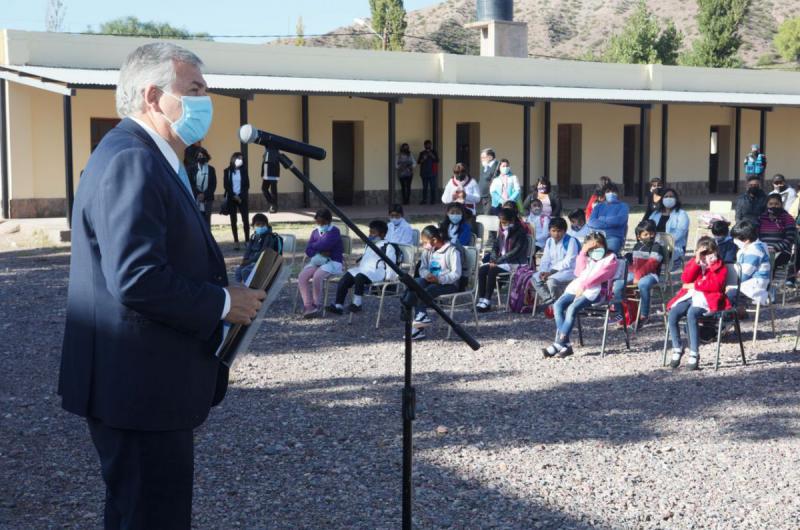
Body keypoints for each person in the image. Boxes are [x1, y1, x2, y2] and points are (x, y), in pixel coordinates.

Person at [59, 42, 266, 529]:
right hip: (138, 391)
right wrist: (221, 302)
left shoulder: (151, 158)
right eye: (193, 89)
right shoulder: (133, 160)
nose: (205, 100)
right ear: (153, 96)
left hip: (143, 387)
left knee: (138, 514)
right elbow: (136, 276)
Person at [542, 232, 619, 358]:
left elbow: (600, 276)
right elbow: (578, 272)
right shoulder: (588, 256)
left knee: (572, 308)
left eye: (598, 248)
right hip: (577, 286)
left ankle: (559, 343)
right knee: (558, 306)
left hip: (597, 291)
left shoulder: (611, 259)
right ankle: (565, 345)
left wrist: (584, 286)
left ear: (604, 246)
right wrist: (583, 252)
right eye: (591, 249)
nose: (595, 251)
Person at [666, 237, 730, 370]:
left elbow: (715, 285)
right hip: (691, 295)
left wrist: (695, 284)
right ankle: (677, 348)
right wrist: (696, 261)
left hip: (709, 298)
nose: (706, 256)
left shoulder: (719, 266)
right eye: (703, 253)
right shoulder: (696, 262)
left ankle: (694, 352)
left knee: (692, 314)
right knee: (673, 313)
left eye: (709, 253)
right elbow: (685, 279)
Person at [402, 225, 462, 340]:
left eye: (425, 242)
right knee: (416, 283)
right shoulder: (428, 251)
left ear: (434, 240)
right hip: (431, 281)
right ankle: (419, 315)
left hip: (448, 284)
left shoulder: (452, 251)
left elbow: (456, 274)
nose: (424, 245)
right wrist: (427, 275)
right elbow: (422, 268)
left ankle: (418, 326)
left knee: (427, 291)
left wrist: (439, 279)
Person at [327, 220, 398, 315]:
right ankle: (338, 305)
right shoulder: (368, 245)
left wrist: (389, 278)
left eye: (373, 233)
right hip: (364, 270)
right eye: (370, 232)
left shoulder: (388, 247)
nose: (370, 235)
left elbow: (391, 263)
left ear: (382, 234)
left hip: (377, 272)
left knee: (359, 277)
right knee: (346, 277)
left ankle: (357, 303)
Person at [475, 208, 529, 312]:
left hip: (515, 263)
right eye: (501, 222)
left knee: (492, 270)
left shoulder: (520, 233)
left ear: (512, 220)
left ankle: (487, 300)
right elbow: (495, 247)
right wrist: (493, 259)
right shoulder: (502, 231)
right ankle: (481, 299)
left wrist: (498, 261)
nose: (502, 224)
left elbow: (516, 252)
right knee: (482, 270)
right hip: (502, 261)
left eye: (505, 222)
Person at [298, 208, 344, 318]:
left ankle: (316, 304)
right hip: (318, 260)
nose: (320, 224)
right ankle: (308, 306)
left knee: (317, 276)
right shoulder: (315, 232)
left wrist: (316, 246)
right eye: (318, 222)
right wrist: (319, 248)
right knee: (302, 276)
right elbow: (308, 250)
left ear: (329, 221)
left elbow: (326, 245)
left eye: (323, 222)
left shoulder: (334, 231)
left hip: (333, 262)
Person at [621, 220, 666, 328]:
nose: (649, 236)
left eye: (652, 234)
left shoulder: (657, 247)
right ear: (639, 236)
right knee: (621, 283)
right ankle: (628, 313)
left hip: (651, 274)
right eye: (646, 234)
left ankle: (644, 315)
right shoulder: (637, 246)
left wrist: (638, 275)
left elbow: (652, 263)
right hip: (637, 273)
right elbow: (634, 263)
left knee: (643, 284)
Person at [531, 217, 579, 311]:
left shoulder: (571, 241)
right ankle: (550, 301)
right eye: (553, 231)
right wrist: (543, 271)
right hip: (551, 271)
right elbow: (546, 259)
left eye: (559, 231)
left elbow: (568, 261)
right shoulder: (549, 241)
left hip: (568, 271)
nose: (556, 234)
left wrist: (551, 272)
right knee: (534, 278)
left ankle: (558, 305)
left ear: (564, 231)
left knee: (551, 282)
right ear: (549, 231)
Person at [731, 220, 771, 308]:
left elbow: (744, 275)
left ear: (746, 240)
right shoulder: (749, 247)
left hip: (755, 285)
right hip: (748, 282)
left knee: (727, 293)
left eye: (736, 238)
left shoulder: (754, 251)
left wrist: (728, 282)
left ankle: (725, 316)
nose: (734, 241)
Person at [648, 188, 690, 269]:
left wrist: (661, 240)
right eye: (666, 196)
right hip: (653, 244)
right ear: (662, 199)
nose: (669, 198)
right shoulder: (655, 214)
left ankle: (650, 270)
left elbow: (680, 233)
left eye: (671, 196)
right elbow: (648, 227)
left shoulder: (682, 214)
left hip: (673, 246)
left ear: (676, 199)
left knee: (655, 251)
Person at [234, 213, 283, 283]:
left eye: (263, 224)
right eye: (258, 224)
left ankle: (250, 291)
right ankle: (239, 290)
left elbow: (263, 253)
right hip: (251, 262)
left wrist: (249, 261)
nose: (260, 226)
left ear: (267, 225)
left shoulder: (269, 237)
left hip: (263, 263)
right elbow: (248, 250)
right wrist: (244, 259)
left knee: (246, 271)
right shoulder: (254, 236)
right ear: (253, 226)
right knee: (238, 271)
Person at [758, 193, 797, 270]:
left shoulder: (788, 218)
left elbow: (790, 238)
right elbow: (756, 236)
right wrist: (762, 248)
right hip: (763, 250)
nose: (773, 206)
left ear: (781, 205)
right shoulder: (761, 218)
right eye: (771, 204)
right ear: (767, 205)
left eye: (776, 204)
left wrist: (775, 248)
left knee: (770, 264)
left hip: (781, 252)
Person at [588, 182, 629, 254]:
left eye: (613, 191)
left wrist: (601, 219)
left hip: (614, 237)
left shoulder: (623, 206)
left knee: (607, 256)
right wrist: (610, 223)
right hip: (597, 237)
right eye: (608, 191)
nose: (611, 193)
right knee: (590, 255)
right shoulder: (598, 206)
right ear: (604, 194)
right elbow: (591, 222)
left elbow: (619, 221)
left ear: (617, 193)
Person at [223, 151, 250, 250]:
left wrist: (240, 196)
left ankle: (247, 240)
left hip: (242, 198)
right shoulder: (227, 171)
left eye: (242, 159)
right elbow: (226, 185)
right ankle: (236, 241)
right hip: (232, 198)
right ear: (233, 159)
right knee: (233, 220)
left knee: (245, 220)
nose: (241, 160)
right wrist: (234, 195)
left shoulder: (244, 170)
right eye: (239, 158)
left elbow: (247, 185)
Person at [188, 146, 216, 226]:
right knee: (197, 219)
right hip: (196, 198)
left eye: (203, 155)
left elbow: (213, 185)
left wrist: (204, 195)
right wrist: (198, 194)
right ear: (196, 157)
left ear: (206, 156)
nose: (201, 157)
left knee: (207, 220)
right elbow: (190, 183)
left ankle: (208, 237)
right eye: (199, 156)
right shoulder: (191, 169)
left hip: (208, 199)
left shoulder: (211, 169)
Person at [417, 140, 439, 205]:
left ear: (431, 145)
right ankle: (424, 200)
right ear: (424, 145)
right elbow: (418, 162)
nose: (428, 146)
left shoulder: (434, 152)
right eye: (426, 145)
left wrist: (431, 155)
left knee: (432, 187)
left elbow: (437, 160)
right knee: (425, 187)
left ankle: (433, 200)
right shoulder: (422, 153)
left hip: (432, 173)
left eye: (429, 144)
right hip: (424, 173)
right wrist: (424, 158)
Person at [478, 148, 499, 214]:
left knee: (489, 216)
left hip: (491, 196)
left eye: (483, 157)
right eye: (481, 158)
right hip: (484, 196)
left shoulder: (497, 166)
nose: (482, 159)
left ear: (490, 157)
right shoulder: (485, 166)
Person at [261, 148, 280, 213]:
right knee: (264, 189)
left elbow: (276, 164)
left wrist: (277, 176)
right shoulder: (267, 151)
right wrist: (262, 173)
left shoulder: (275, 151)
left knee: (273, 191)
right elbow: (263, 163)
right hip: (266, 173)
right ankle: (273, 204)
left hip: (273, 174)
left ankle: (274, 206)